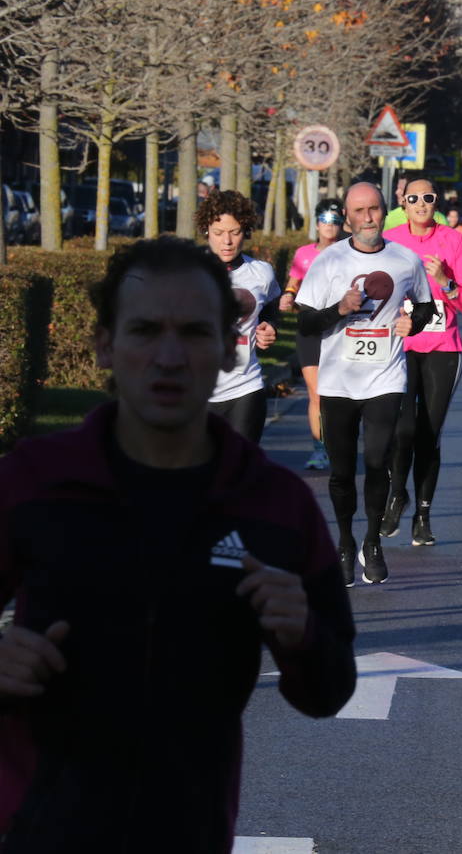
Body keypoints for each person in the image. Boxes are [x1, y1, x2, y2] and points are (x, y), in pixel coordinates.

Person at [0, 237, 356, 851]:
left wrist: (303, 636)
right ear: (105, 346)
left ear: (227, 347)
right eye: (144, 331)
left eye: (193, 333)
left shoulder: (274, 505)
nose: (168, 356)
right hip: (34, 827)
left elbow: (330, 689)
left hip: (188, 830)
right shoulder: (34, 481)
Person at [295, 182, 436, 586]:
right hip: (338, 380)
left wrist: (416, 322)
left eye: (374, 209)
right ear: (347, 215)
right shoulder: (328, 262)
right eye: (359, 211)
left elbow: (425, 306)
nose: (368, 217)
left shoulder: (406, 260)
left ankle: (372, 542)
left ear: (384, 210)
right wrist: (340, 309)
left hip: (385, 376)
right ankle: (343, 542)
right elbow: (304, 324)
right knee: (341, 472)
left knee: (377, 462)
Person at [379, 177, 462, 547]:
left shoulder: (452, 240)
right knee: (401, 431)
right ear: (402, 204)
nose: (421, 203)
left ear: (436, 201)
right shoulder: (391, 240)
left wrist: (445, 281)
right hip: (401, 348)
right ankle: (397, 495)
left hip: (442, 348)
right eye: (413, 198)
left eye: (428, 197)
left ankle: (423, 513)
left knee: (428, 434)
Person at [198, 189, 279, 443]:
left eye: (235, 232)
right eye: (219, 233)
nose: (227, 242)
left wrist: (269, 326)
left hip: (246, 388)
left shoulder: (261, 273)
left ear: (245, 231)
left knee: (238, 471)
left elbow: (271, 306)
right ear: (206, 231)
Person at [281, 197, 346, 469]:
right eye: (324, 220)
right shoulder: (304, 254)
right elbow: (293, 284)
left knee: (341, 395)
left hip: (341, 330)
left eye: (334, 221)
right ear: (317, 223)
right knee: (316, 394)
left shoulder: (349, 250)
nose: (329, 226)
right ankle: (319, 450)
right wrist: (287, 296)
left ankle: (341, 445)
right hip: (309, 330)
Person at [383, 172, 449, 231]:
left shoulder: (440, 219)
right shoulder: (390, 218)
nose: (397, 192)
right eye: (397, 188)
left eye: (401, 189)